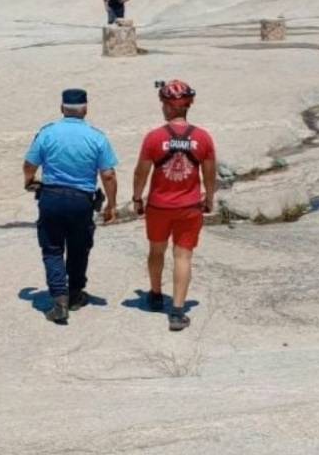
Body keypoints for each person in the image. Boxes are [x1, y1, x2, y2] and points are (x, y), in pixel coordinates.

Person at [23, 88, 119, 324]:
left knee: (53, 249)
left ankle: (59, 301)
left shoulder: (47, 133)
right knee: (79, 248)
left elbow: (29, 163)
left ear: (61, 108)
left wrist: (29, 181)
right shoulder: (97, 137)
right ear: (85, 109)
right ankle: (75, 294)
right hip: (81, 201)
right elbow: (108, 175)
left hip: (51, 198)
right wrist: (112, 206)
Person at [131, 80, 216, 332]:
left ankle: (156, 294)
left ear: (166, 107)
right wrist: (209, 197)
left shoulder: (154, 138)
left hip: (159, 206)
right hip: (189, 206)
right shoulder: (202, 138)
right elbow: (210, 174)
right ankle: (177, 311)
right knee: (183, 255)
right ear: (188, 106)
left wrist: (137, 198)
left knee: (156, 251)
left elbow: (141, 172)